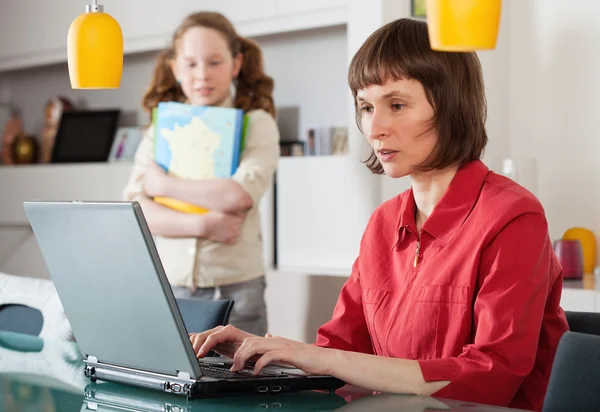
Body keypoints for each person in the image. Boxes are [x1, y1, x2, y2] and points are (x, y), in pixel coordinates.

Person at [188, 18, 569, 411]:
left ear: (452, 105)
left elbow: (492, 375)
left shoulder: (513, 217)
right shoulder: (383, 223)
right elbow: (338, 351)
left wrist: (320, 358)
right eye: (366, 107)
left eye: (397, 105)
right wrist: (267, 356)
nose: (375, 127)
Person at [122, 12, 280, 336]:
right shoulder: (160, 129)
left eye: (214, 62)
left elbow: (236, 195)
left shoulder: (257, 124)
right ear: (175, 68)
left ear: (236, 65)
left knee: (240, 382)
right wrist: (202, 224)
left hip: (236, 291)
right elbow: (135, 212)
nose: (202, 75)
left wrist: (163, 184)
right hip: (169, 289)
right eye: (191, 64)